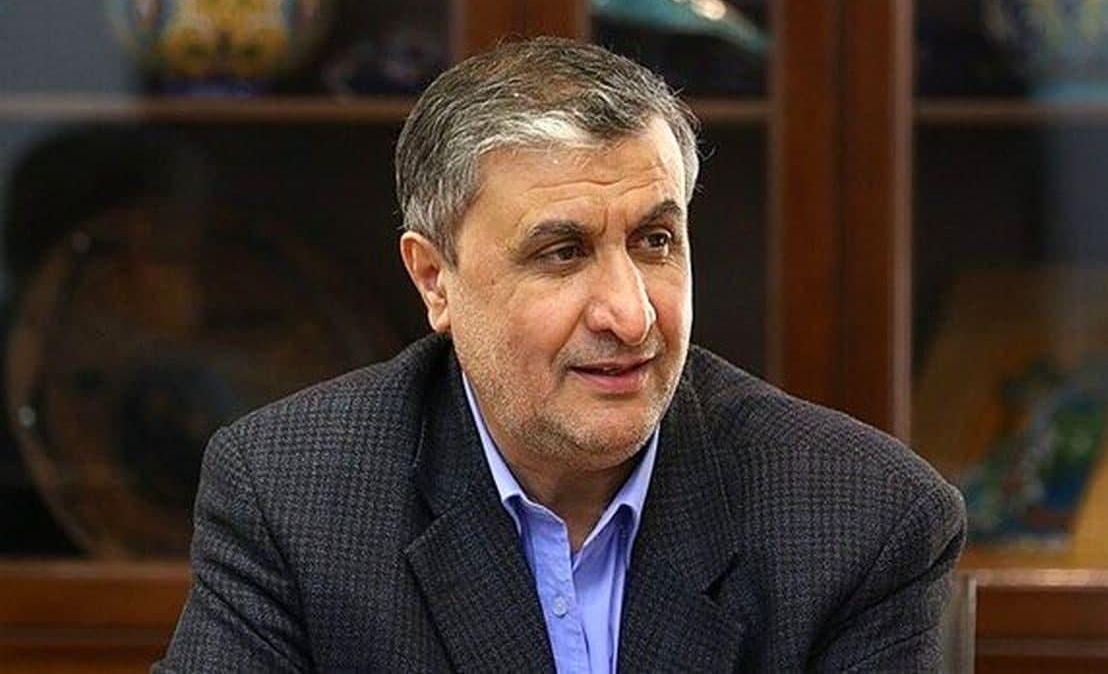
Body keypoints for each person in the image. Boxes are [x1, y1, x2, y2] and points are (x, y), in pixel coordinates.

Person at [157, 37, 965, 672]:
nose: (630, 314)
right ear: (435, 279)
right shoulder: (293, 496)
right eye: (562, 252)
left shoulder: (862, 518)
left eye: (655, 240)